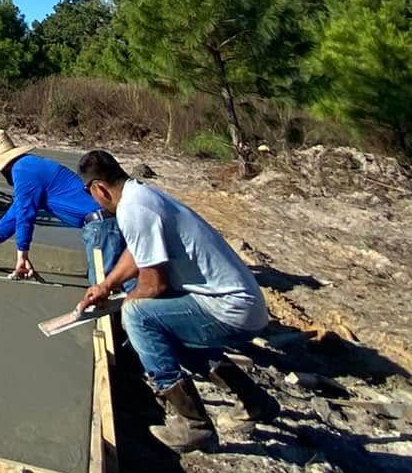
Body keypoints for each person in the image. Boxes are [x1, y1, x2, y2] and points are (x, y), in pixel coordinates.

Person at [77, 149, 278, 451]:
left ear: (99, 189)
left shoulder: (133, 209)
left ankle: (194, 424)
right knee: (168, 331)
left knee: (138, 316)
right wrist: (107, 285)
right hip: (241, 303)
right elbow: (138, 251)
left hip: (230, 308)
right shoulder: (140, 196)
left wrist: (123, 302)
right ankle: (256, 401)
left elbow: (154, 284)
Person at [0, 128, 123, 283]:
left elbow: (25, 216)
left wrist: (22, 256)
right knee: (121, 282)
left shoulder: (22, 171)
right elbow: (16, 213)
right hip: (105, 223)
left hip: (101, 226)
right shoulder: (29, 165)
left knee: (103, 285)